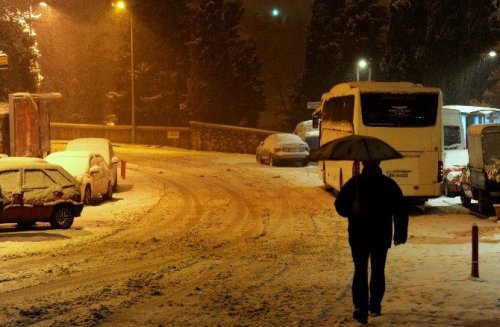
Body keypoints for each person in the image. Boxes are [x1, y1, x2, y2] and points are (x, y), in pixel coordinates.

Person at [334, 160, 408, 324]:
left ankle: (360, 308)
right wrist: (399, 234)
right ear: (379, 163)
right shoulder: (389, 184)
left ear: (363, 164)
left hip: (359, 234)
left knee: (360, 270)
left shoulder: (355, 183)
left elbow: (339, 205)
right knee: (378, 270)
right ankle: (375, 305)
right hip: (381, 235)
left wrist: (352, 208)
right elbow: (401, 209)